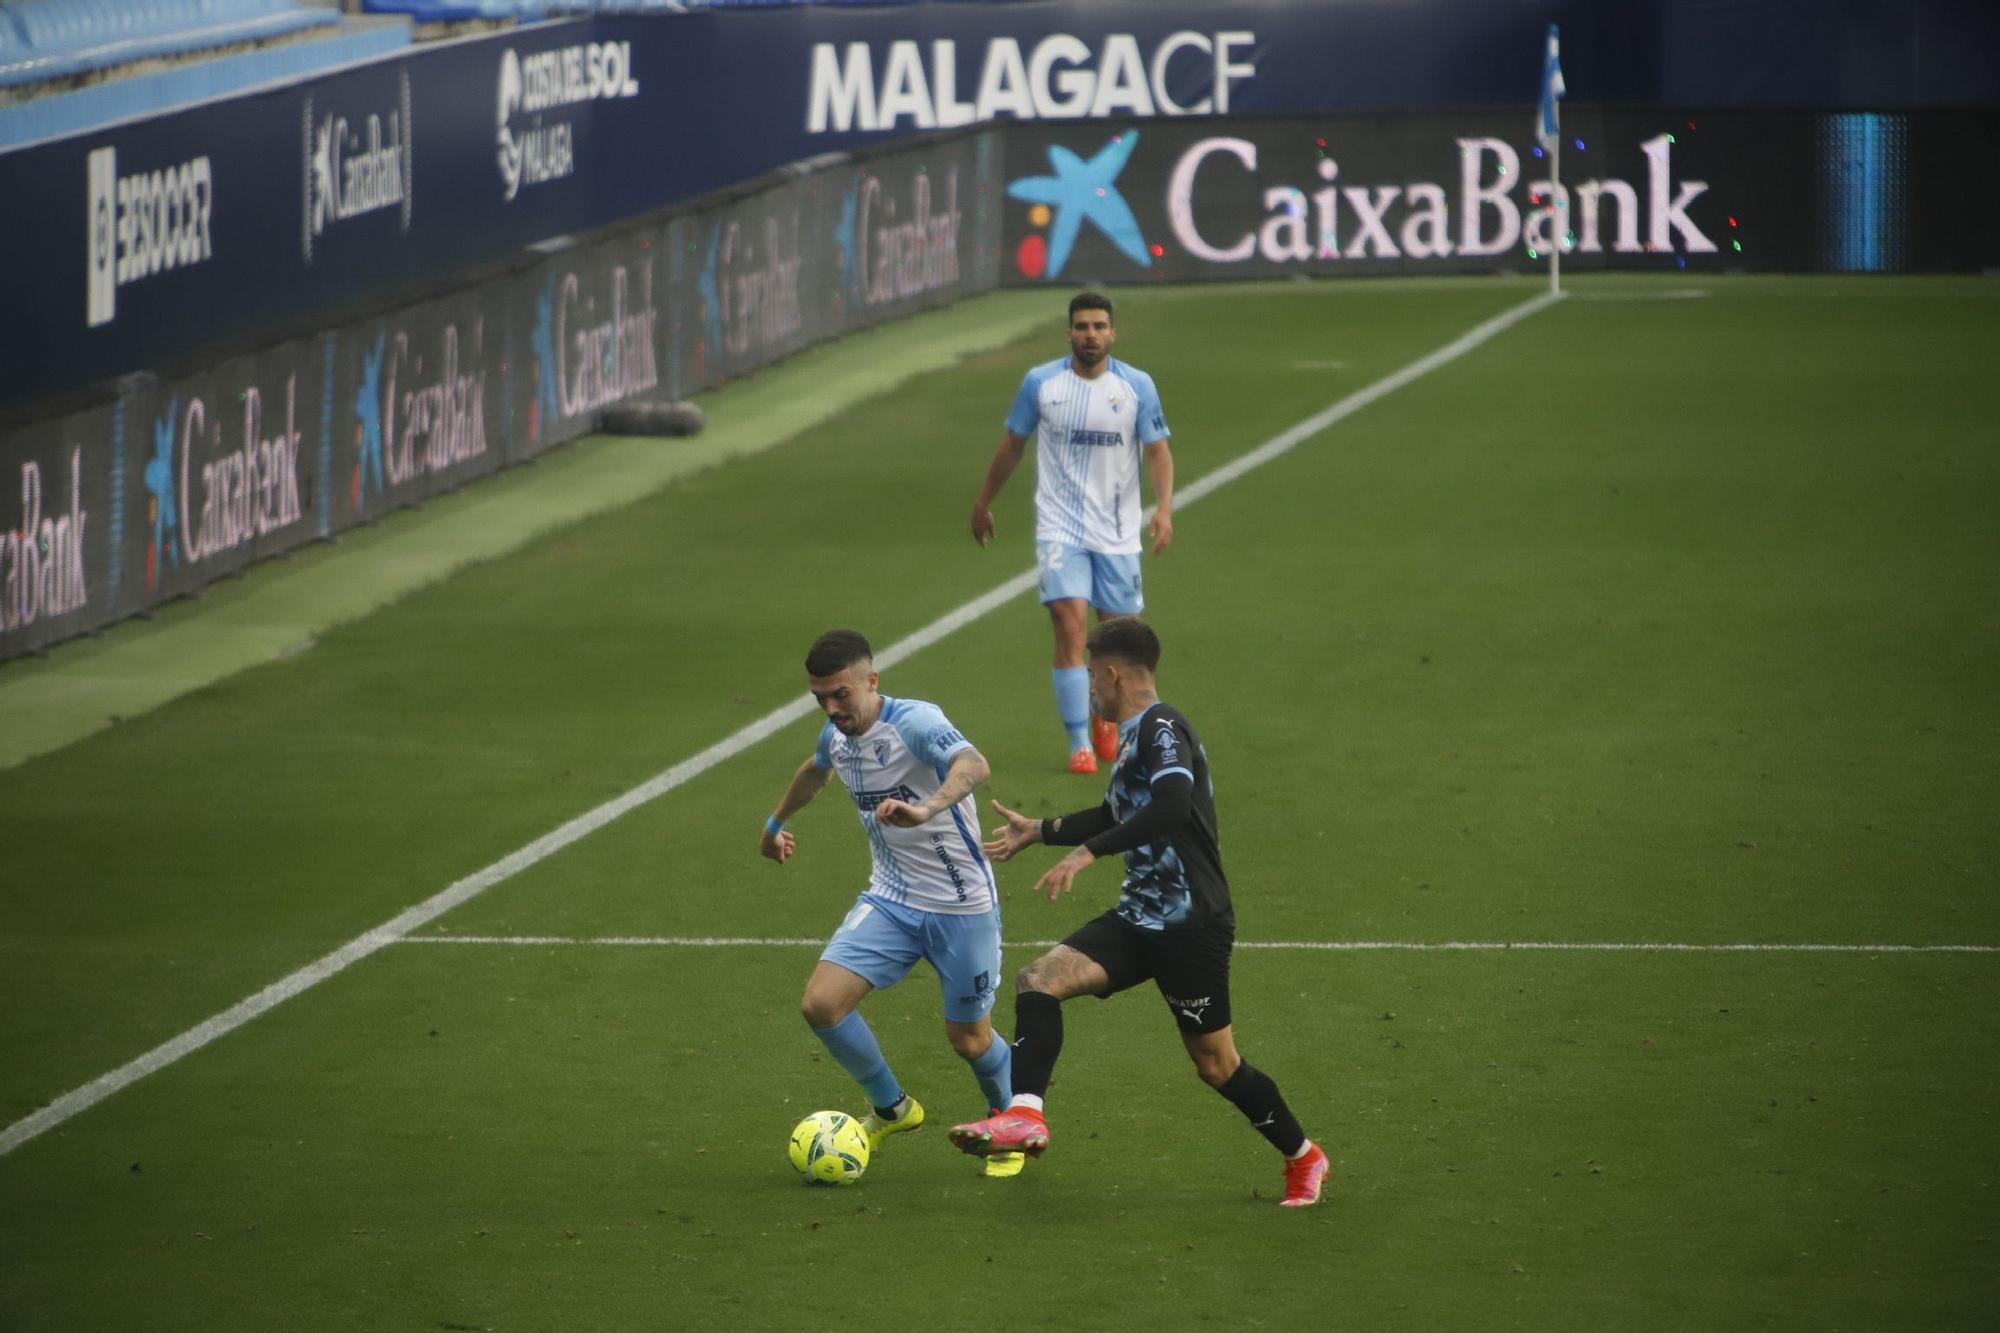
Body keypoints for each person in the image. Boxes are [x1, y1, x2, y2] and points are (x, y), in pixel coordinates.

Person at [947, 618, 1331, 1206]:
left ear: (1111, 672)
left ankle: (1304, 1157)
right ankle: (1026, 1115)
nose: (1088, 690)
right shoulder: (1134, 736)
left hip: (1190, 928)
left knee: (1216, 1064)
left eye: (1089, 676)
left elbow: (1174, 803)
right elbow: (1117, 809)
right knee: (1039, 981)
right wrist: (1043, 831)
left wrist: (1088, 853)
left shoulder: (1162, 727)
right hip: (1139, 918)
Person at [761, 629, 1024, 1179]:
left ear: (870, 681)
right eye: (820, 699)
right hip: (891, 898)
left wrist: (927, 809)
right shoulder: (837, 736)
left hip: (961, 905)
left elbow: (974, 765)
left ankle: (1010, 1123)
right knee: (822, 1004)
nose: (832, 709)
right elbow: (815, 770)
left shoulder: (915, 722)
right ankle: (893, 1109)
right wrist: (775, 823)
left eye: (840, 695)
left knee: (969, 1038)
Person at [970, 291, 1175, 776]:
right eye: (1082, 326)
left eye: (1099, 326)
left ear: (1112, 333)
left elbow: (1159, 451)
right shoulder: (1042, 383)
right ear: (1069, 333)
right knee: (1069, 627)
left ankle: (1113, 725)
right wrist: (983, 502)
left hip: (1118, 533)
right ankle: (1079, 741)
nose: (1090, 334)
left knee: (1120, 639)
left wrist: (1164, 509)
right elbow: (1013, 445)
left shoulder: (1136, 386)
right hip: (1060, 529)